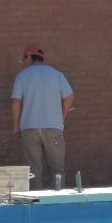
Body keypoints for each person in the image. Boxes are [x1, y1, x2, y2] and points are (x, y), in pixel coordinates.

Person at [11, 46, 75, 190]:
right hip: (53, 126)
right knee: (57, 168)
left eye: (24, 58)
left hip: (29, 127)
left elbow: (16, 101)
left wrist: (16, 126)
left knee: (33, 170)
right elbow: (69, 96)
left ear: (29, 57)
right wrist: (62, 117)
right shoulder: (56, 74)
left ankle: (36, 202)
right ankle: (57, 200)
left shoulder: (22, 76)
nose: (23, 62)